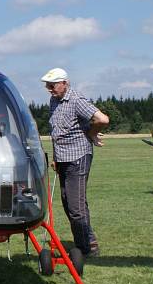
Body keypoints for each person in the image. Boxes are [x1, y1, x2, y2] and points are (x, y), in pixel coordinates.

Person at [41, 68, 109, 258]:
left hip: (78, 157)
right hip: (62, 158)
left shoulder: (76, 100)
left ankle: (86, 249)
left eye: (52, 85)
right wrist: (55, 157)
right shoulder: (54, 101)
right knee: (69, 203)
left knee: (76, 207)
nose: (49, 89)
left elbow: (102, 119)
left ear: (64, 83)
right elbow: (56, 132)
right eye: (47, 85)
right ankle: (89, 242)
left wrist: (91, 133)